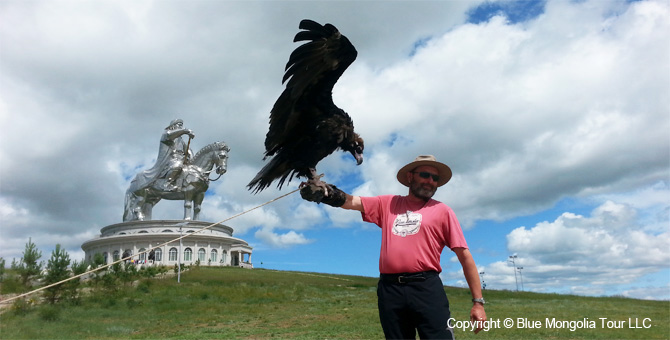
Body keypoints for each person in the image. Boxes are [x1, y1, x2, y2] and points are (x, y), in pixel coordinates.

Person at [300, 155, 486, 339]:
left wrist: (478, 303)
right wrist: (325, 193)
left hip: (426, 288)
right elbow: (352, 202)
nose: (430, 181)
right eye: (425, 175)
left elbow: (465, 256)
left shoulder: (443, 211)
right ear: (410, 177)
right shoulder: (388, 204)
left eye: (435, 178)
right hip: (390, 290)